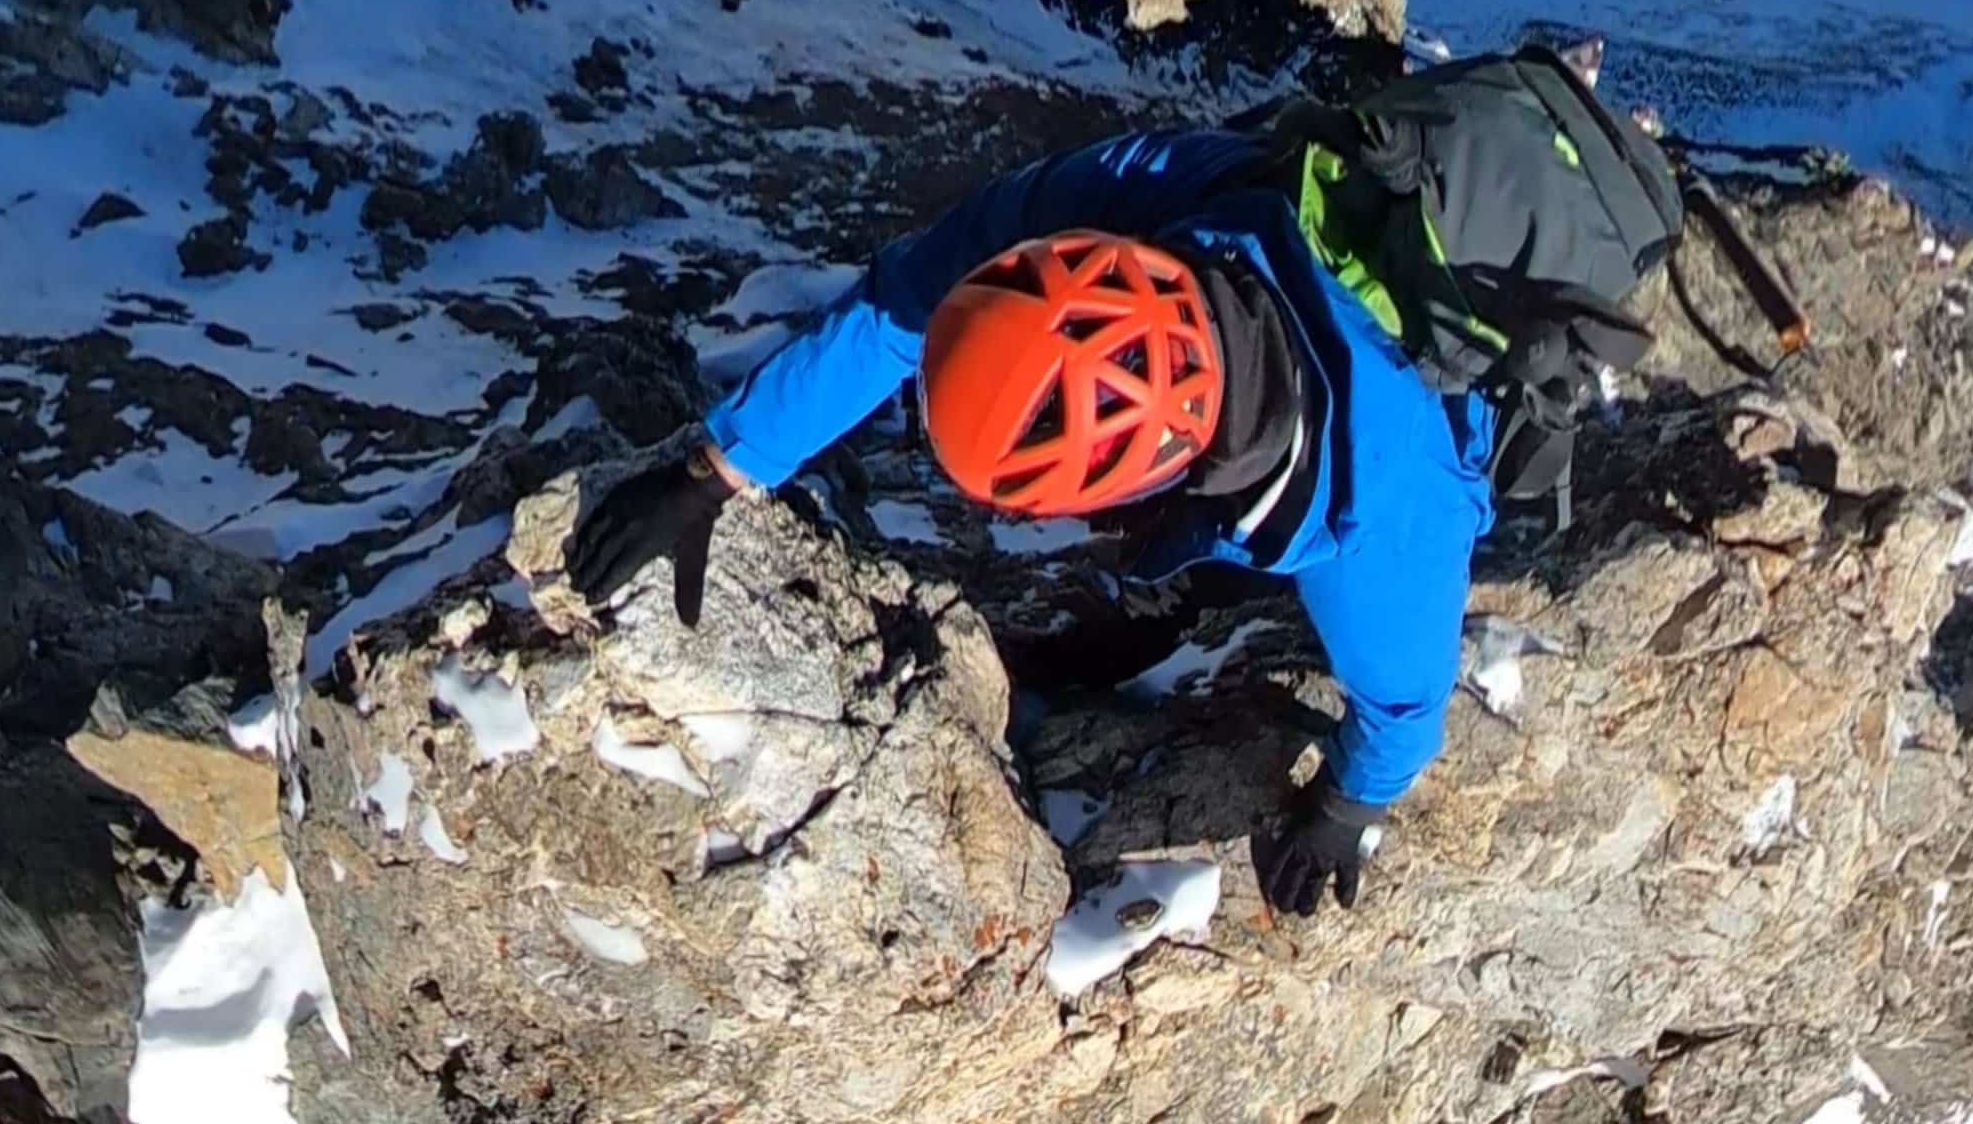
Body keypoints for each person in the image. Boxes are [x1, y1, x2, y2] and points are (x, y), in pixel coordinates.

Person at [564, 121, 1497, 919]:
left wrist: (1346, 807)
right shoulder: (1137, 196)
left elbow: (1407, 709)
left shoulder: (1380, 527)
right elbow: (907, 300)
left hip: (1435, 398)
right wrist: (719, 468)